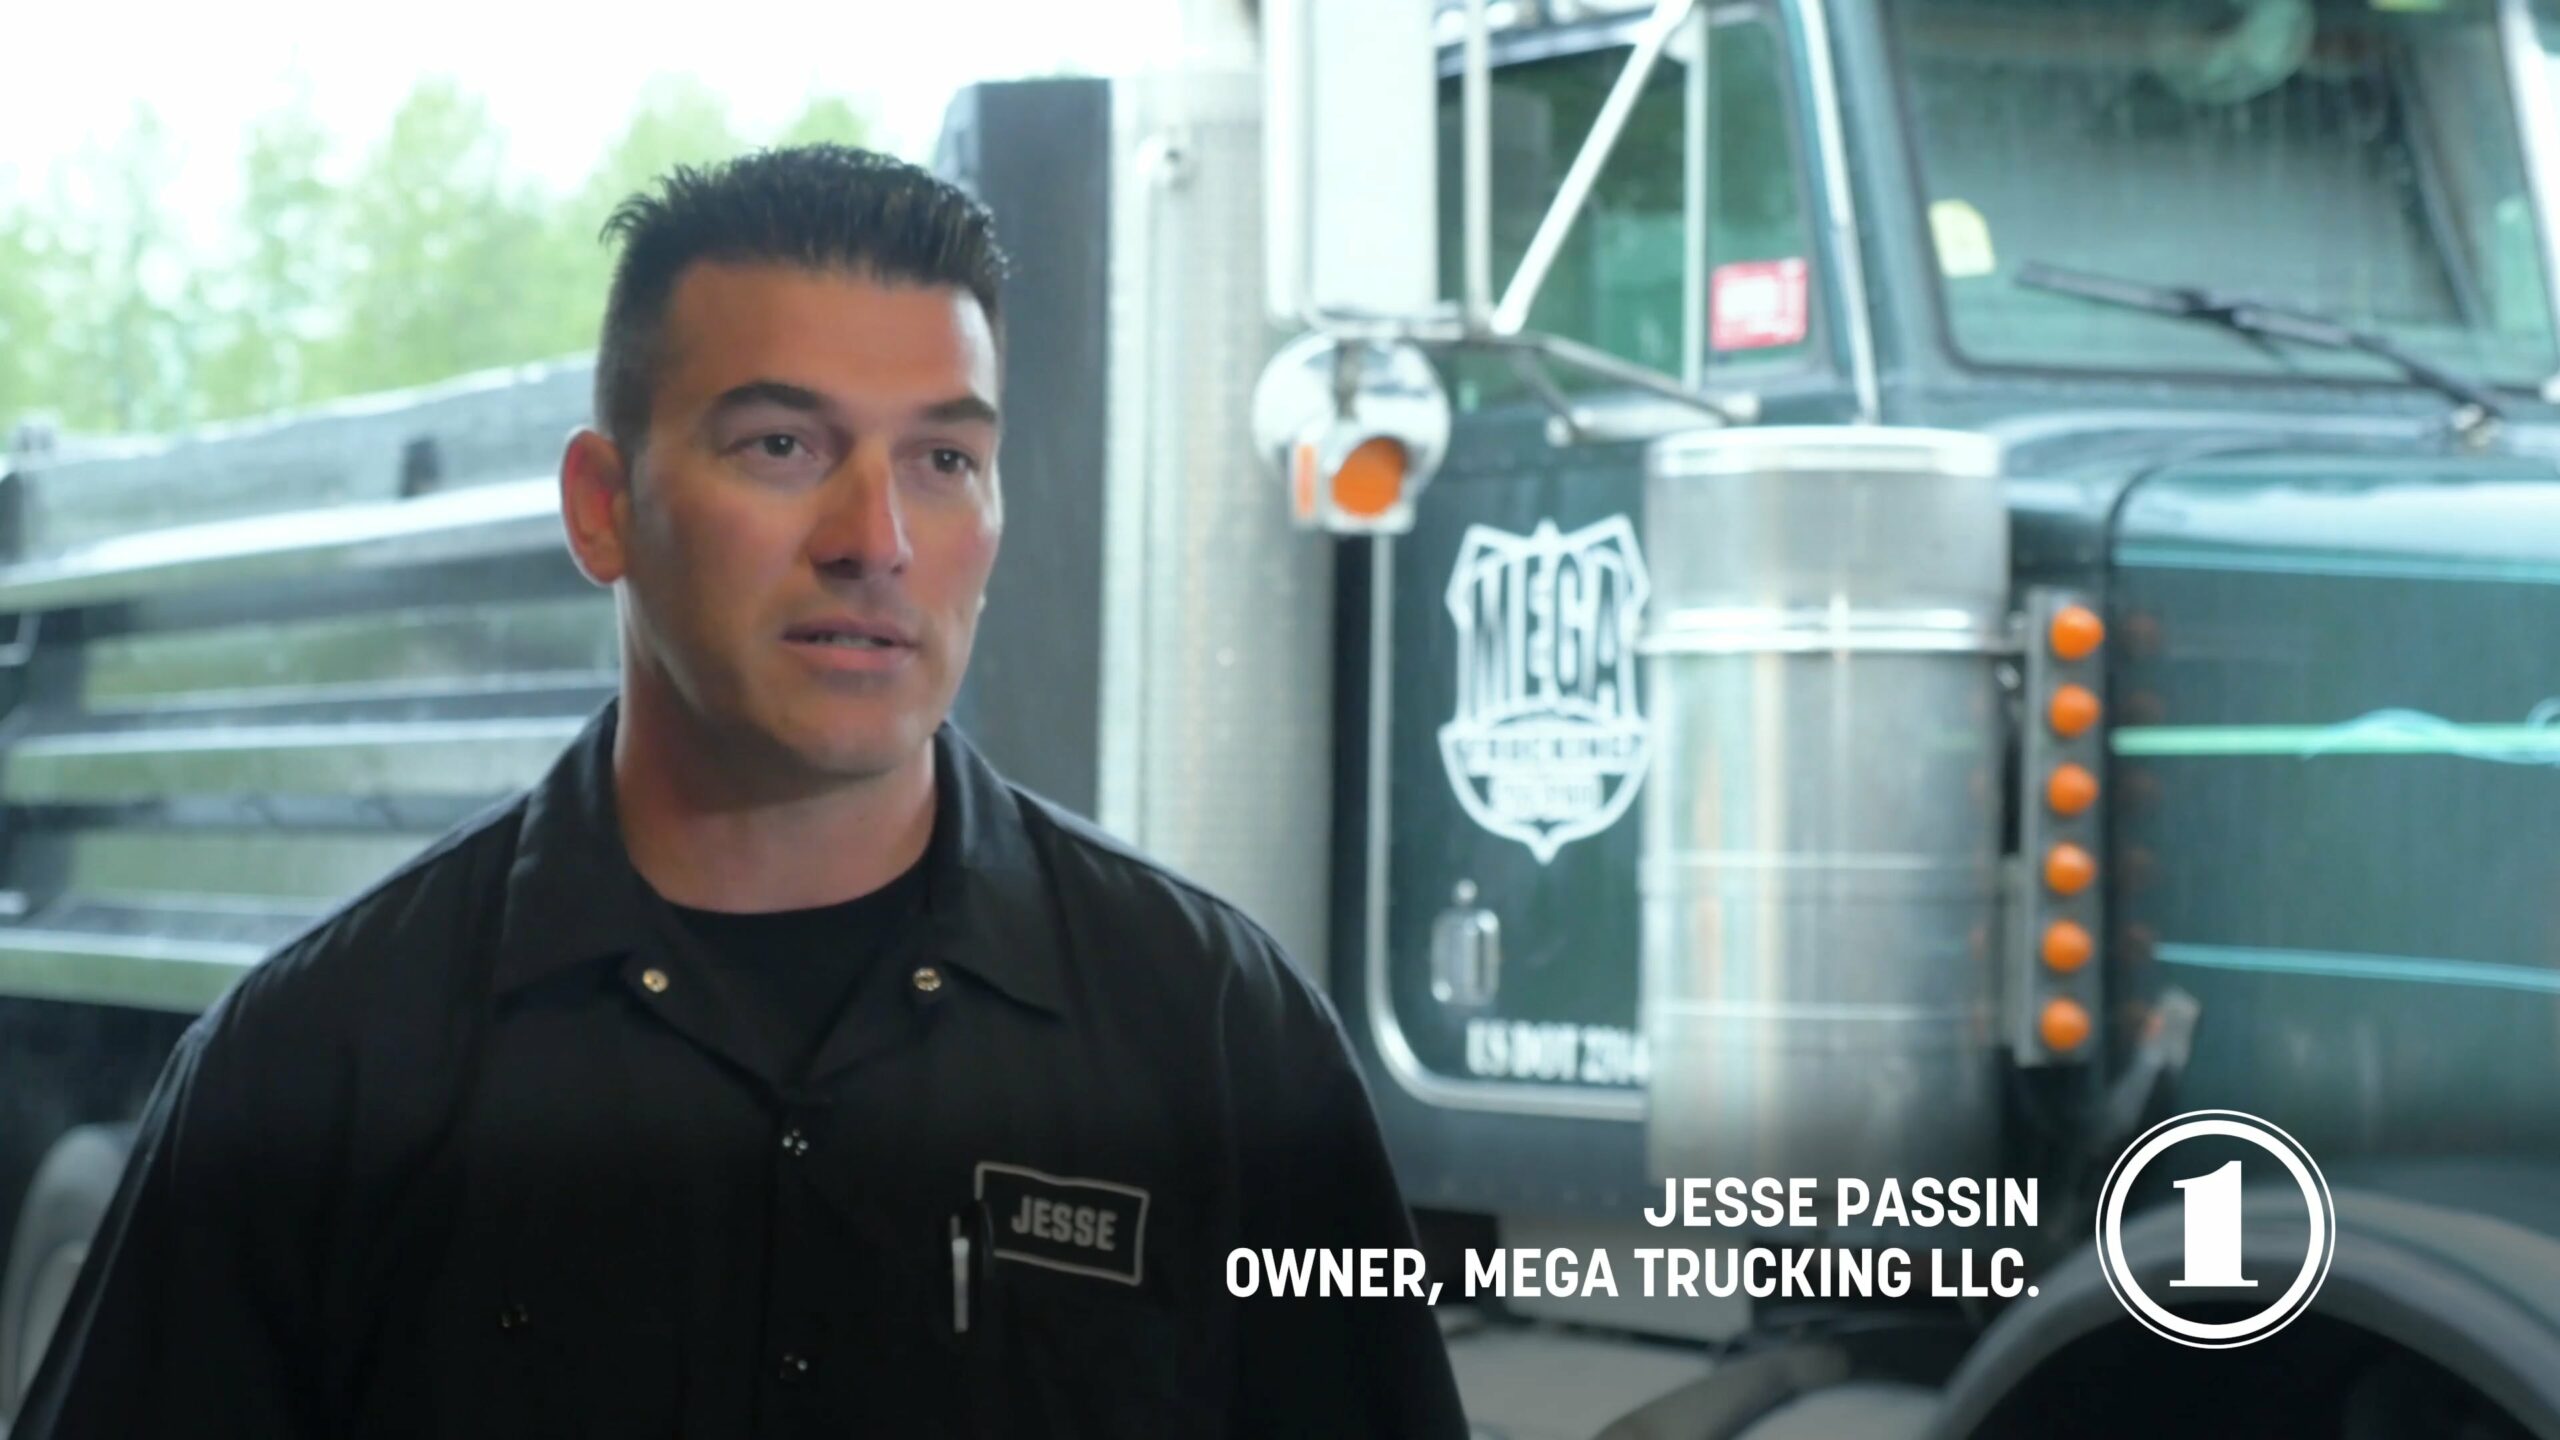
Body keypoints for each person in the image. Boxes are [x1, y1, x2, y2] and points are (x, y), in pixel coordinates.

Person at [14, 145, 1468, 1438]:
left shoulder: (1216, 1040)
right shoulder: (315, 1072)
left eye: (945, 458)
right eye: (784, 446)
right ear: (603, 507)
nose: (877, 539)